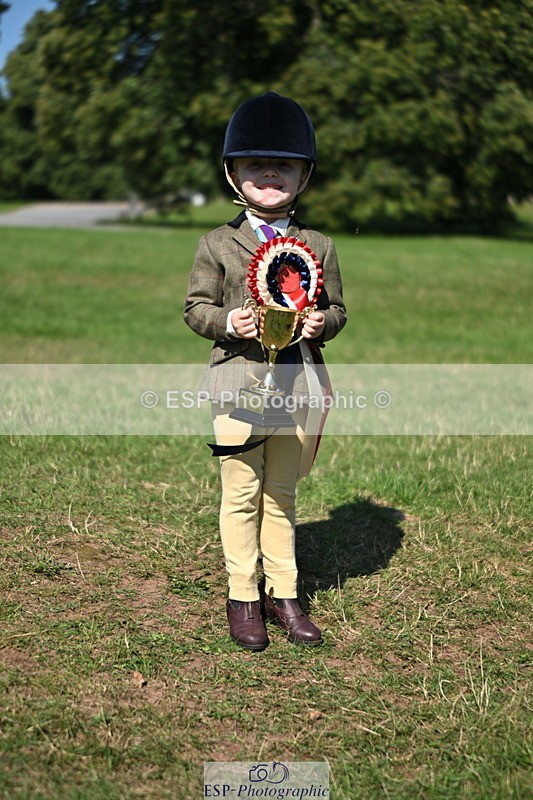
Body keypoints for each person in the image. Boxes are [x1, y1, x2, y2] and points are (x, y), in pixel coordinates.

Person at [184, 92, 346, 651]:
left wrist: (322, 322)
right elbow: (195, 309)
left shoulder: (318, 245)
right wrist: (230, 320)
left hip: (296, 385)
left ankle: (285, 592)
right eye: (255, 164)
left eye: (285, 166)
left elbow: (340, 310)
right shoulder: (216, 244)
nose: (269, 174)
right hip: (237, 385)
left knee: (282, 494)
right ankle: (242, 595)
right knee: (241, 493)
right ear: (233, 174)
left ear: (304, 177)